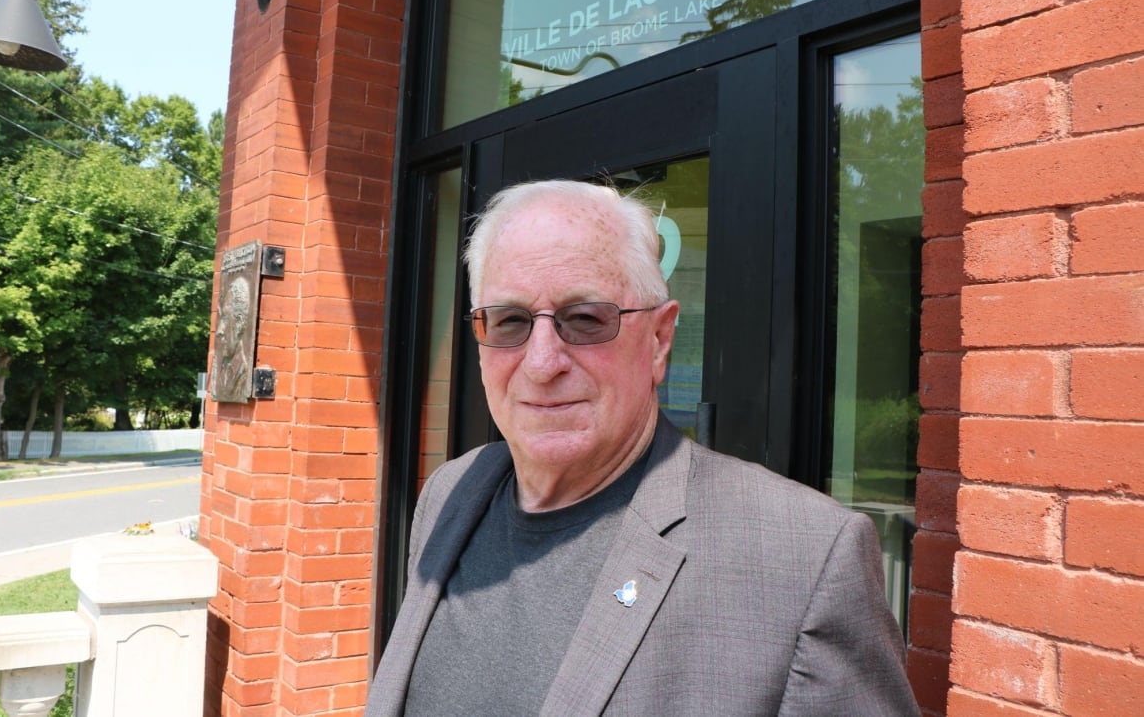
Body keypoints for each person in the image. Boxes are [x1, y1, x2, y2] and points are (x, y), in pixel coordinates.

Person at [365, 179, 918, 716]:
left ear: (659, 340)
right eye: (509, 321)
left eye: (585, 319)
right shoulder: (449, 492)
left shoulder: (805, 559)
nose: (541, 363)